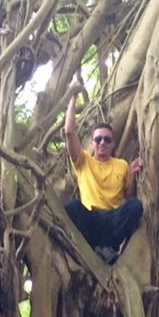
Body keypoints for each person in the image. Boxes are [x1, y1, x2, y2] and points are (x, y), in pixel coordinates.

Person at [63, 95, 143, 263]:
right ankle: (93, 248)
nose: (102, 143)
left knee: (135, 206)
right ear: (92, 143)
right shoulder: (83, 161)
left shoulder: (121, 165)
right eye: (98, 139)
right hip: (91, 218)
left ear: (113, 144)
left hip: (113, 219)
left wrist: (132, 174)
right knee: (72, 207)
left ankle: (108, 247)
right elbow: (69, 132)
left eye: (107, 139)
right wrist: (72, 96)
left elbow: (129, 196)